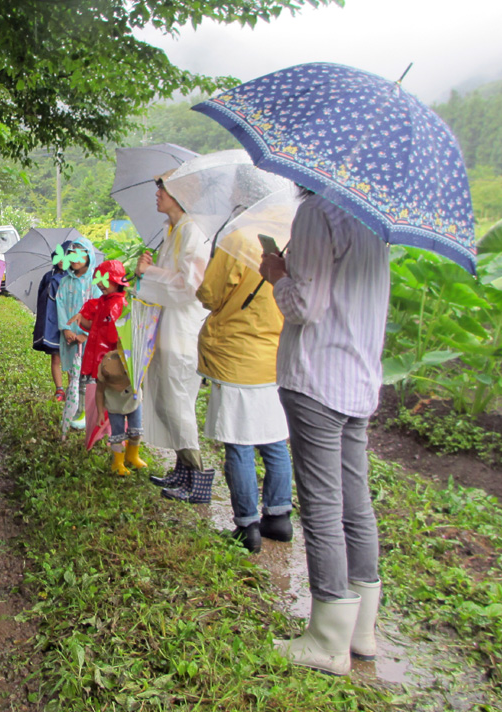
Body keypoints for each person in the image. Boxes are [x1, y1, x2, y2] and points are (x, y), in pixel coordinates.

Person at [259, 187, 389, 676]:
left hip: (316, 377)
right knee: (356, 502)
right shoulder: (372, 218)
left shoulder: (317, 211)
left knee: (320, 506)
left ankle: (327, 639)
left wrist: (276, 274)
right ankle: (362, 631)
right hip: (358, 377)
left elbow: (304, 307)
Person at [193, 233, 293, 553]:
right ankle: (279, 518)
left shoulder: (239, 238)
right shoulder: (290, 238)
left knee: (239, 442)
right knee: (274, 438)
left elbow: (210, 294)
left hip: (236, 353)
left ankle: (247, 525)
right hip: (273, 354)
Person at [135, 172, 213, 502]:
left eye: (162, 190)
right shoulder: (173, 231)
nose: (157, 195)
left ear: (179, 194)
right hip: (166, 328)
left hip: (184, 330)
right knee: (169, 399)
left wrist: (148, 272)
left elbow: (189, 285)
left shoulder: (193, 232)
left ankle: (197, 479)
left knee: (180, 402)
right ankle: (182, 469)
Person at [72, 259, 147, 476]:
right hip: (107, 366)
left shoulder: (120, 303)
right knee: (111, 408)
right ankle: (118, 457)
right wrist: (82, 320)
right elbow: (92, 326)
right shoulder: (102, 302)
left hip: (120, 366)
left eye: (107, 280)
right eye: (100, 280)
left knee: (133, 413)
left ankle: (131, 453)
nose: (102, 284)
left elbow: (118, 333)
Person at [55, 236, 101, 435]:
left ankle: (84, 411)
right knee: (73, 374)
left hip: (88, 338)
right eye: (71, 254)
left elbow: (98, 309)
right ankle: (74, 411)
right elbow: (60, 304)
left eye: (80, 254)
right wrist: (66, 329)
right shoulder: (65, 281)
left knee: (87, 376)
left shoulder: (95, 282)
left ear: (89, 256)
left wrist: (84, 333)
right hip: (69, 337)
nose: (75, 258)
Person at [32, 240, 74, 402]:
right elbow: (41, 300)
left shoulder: (73, 279)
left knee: (70, 358)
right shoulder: (48, 277)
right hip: (52, 324)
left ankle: (72, 389)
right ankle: (59, 389)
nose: (63, 261)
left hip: (69, 324)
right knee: (56, 357)